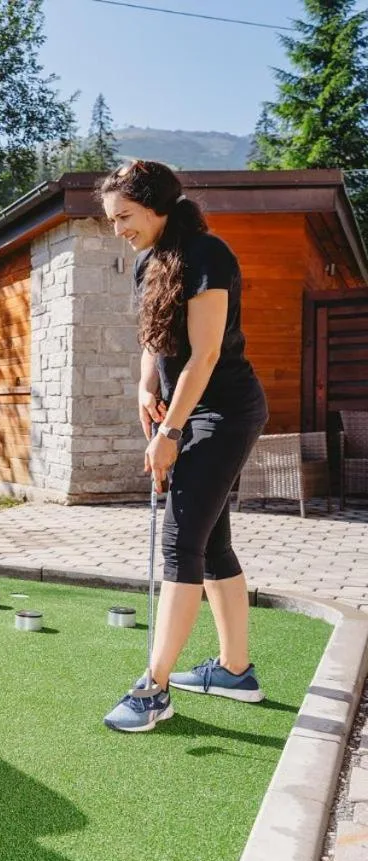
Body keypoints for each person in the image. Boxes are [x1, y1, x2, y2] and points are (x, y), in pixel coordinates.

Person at [97, 160, 269, 733]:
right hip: (183, 411)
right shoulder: (148, 263)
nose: (117, 227)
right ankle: (235, 671)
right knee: (211, 542)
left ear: (156, 206)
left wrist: (170, 433)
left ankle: (155, 688)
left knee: (180, 544)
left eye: (124, 215)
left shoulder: (208, 255)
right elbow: (156, 340)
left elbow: (205, 354)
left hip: (221, 413)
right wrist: (145, 386)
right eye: (111, 219)